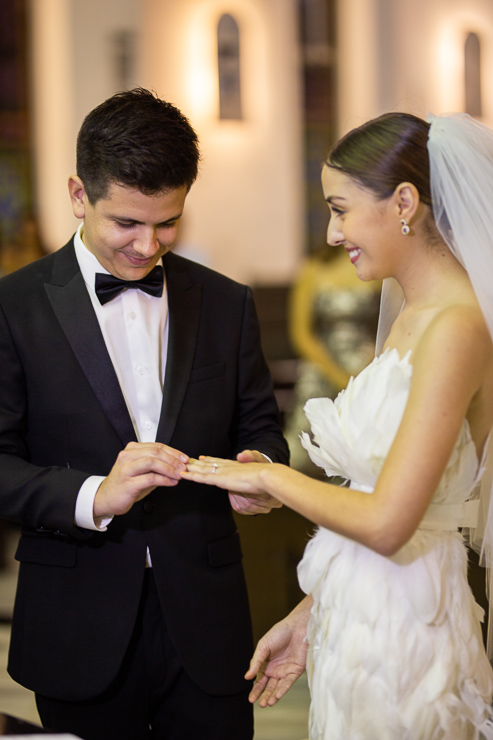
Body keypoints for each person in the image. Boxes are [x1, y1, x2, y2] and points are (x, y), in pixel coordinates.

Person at [183, 111, 493, 739]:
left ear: (404, 202)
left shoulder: (457, 326)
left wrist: (273, 481)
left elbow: (389, 520)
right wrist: (311, 612)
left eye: (342, 209)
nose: (331, 233)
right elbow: (379, 503)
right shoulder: (412, 314)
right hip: (363, 620)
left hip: (415, 633)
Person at [0, 88, 289, 740]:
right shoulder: (12, 307)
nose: (146, 246)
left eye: (167, 223)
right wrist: (95, 493)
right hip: (78, 621)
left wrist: (262, 468)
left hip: (208, 622)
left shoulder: (224, 303)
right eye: (126, 223)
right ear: (79, 195)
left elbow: (260, 427)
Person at [284, 245, 380, 474]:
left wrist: (367, 368)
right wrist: (336, 374)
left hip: (366, 366)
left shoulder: (377, 265)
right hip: (320, 364)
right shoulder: (312, 268)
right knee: (304, 448)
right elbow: (301, 334)